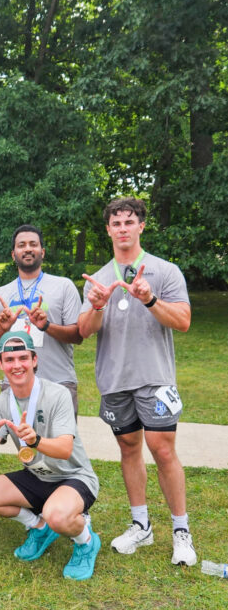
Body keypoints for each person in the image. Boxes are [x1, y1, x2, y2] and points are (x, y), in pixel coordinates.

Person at [78, 196, 196, 566]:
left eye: (130, 222)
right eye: (116, 223)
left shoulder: (164, 271)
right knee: (129, 448)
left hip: (154, 378)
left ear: (141, 226)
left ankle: (181, 531)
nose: (123, 228)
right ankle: (140, 525)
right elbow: (84, 330)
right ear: (108, 229)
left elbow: (183, 320)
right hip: (115, 379)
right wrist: (97, 305)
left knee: (162, 450)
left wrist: (149, 298)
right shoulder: (98, 278)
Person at [0, 332, 100, 580]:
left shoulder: (57, 394)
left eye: (23, 358)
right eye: (9, 360)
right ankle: (39, 528)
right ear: (0, 364)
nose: (16, 365)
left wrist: (35, 441)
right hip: (37, 475)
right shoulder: (0, 402)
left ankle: (86, 542)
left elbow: (64, 449)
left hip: (73, 476)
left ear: (34, 360)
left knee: (57, 515)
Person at [0, 224, 83, 414]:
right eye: (21, 245)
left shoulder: (63, 286)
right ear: (13, 254)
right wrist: (3, 329)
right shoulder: (1, 294)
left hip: (58, 382)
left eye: (33, 244)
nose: (28, 249)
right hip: (15, 384)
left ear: (42, 252)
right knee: (23, 443)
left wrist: (46, 325)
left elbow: (78, 336)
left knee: (62, 443)